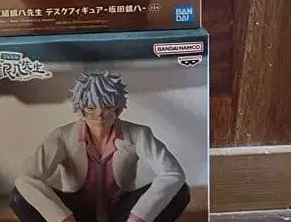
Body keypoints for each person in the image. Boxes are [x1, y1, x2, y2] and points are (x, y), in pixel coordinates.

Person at [11, 72, 190, 222]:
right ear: (81, 109)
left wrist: (138, 218)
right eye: (91, 108)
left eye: (107, 107)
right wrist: (63, 219)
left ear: (117, 109)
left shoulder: (138, 134)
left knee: (180, 192)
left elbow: (173, 174)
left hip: (122, 211)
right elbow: (27, 178)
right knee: (19, 196)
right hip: (76, 212)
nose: (99, 115)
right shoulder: (61, 136)